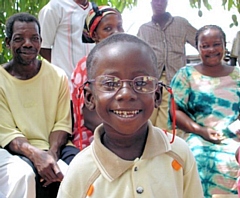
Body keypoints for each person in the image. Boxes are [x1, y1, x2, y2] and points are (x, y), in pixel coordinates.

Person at [57, 33, 204, 198]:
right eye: (110, 83)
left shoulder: (179, 153)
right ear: (90, 98)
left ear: (157, 96)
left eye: (141, 82)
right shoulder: (81, 170)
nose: (126, 94)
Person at [0, 13, 79, 198]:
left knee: (80, 169)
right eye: (19, 38)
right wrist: (36, 156)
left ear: (40, 42)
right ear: (7, 43)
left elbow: (62, 123)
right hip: (12, 148)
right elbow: (7, 132)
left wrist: (51, 154)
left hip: (54, 146)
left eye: (34, 38)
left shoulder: (57, 75)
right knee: (23, 175)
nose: (28, 44)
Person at [169, 25, 240, 198]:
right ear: (198, 48)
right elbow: (174, 111)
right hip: (198, 136)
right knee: (197, 158)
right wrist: (201, 131)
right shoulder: (186, 75)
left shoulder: (238, 75)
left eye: (216, 44)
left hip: (234, 136)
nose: (211, 50)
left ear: (224, 45)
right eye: (205, 46)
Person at [137, 0, 197, 131]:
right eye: (155, 1)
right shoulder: (144, 29)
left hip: (175, 81)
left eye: (162, 0)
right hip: (152, 82)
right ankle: (147, 147)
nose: (158, 3)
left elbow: (200, 42)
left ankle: (163, 147)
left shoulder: (181, 23)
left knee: (166, 123)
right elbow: (137, 56)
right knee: (147, 120)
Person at [71, 4, 124, 149]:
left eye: (119, 27)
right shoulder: (88, 65)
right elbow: (90, 118)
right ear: (94, 35)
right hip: (91, 140)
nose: (116, 32)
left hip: (119, 133)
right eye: (108, 28)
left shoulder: (123, 63)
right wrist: (126, 135)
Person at [38, 0, 94, 85]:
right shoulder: (55, 7)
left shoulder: (95, 10)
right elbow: (43, 46)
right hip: (66, 84)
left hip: (91, 86)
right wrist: (61, 67)